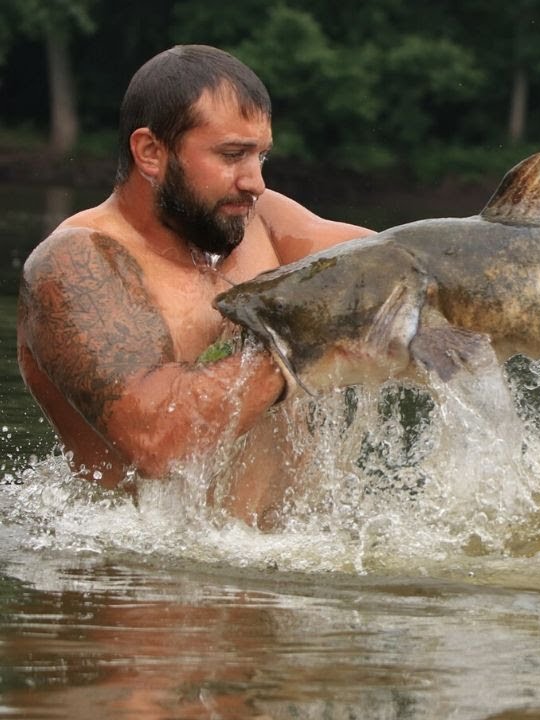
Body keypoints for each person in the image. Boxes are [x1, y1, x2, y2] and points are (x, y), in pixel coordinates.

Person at [16, 45, 373, 525]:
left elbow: (397, 268)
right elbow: (158, 438)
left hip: (296, 563)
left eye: (261, 155)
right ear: (150, 152)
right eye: (232, 155)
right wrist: (305, 339)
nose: (256, 182)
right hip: (147, 579)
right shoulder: (75, 263)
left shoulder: (260, 221)